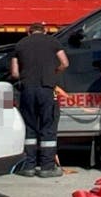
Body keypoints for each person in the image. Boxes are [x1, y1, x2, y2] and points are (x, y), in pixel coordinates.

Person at [11, 22, 69, 177]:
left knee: (29, 127)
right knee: (48, 126)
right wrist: (54, 72)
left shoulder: (20, 44)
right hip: (46, 88)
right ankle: (47, 167)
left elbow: (15, 73)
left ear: (29, 32)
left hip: (27, 90)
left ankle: (28, 166)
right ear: (45, 31)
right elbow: (65, 63)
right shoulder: (53, 41)